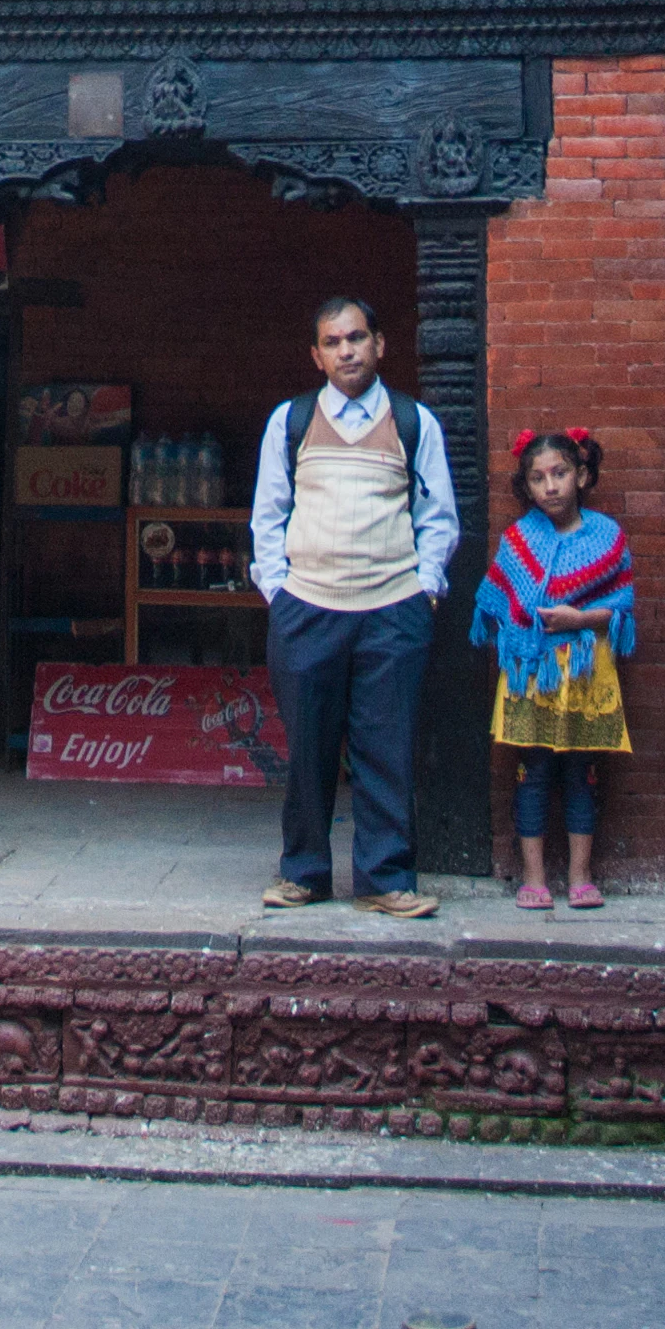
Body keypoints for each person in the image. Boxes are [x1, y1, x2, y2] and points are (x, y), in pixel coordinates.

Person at [249, 292, 459, 917]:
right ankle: (304, 873)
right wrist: (279, 591)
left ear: (380, 345)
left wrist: (426, 588)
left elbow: (439, 518)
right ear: (316, 356)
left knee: (385, 748)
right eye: (334, 342)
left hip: (393, 609)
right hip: (307, 608)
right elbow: (268, 515)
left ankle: (385, 879)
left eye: (357, 338)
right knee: (309, 746)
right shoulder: (291, 420)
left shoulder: (414, 421)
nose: (348, 350)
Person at [472, 426, 634, 910]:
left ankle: (582, 876)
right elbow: (499, 602)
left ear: (582, 475)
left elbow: (622, 606)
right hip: (532, 671)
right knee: (533, 772)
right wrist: (527, 628)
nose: (551, 486)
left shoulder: (608, 536)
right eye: (538, 477)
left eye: (560, 473)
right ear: (527, 485)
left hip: (585, 671)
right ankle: (534, 877)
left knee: (582, 772)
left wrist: (578, 618)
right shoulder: (517, 539)